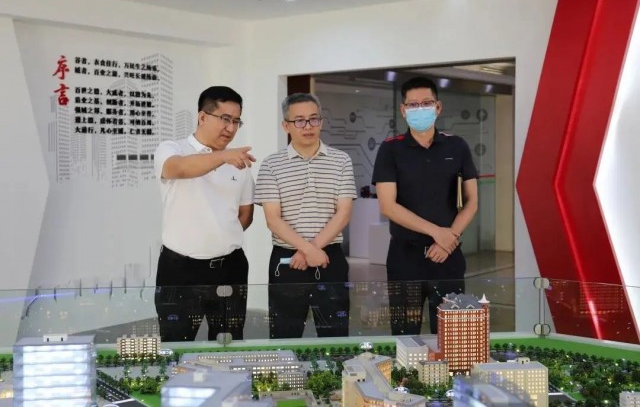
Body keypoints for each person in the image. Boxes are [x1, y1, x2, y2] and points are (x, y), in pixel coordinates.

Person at [372, 77, 478, 335]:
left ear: (438, 107)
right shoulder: (390, 150)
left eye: (427, 103)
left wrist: (448, 239)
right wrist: (437, 233)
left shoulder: (457, 146)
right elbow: (388, 206)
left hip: (448, 255)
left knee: (451, 335)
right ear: (403, 110)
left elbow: (472, 201)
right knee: (405, 332)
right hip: (404, 257)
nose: (420, 109)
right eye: (413, 104)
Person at [153, 86, 256, 342]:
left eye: (236, 121)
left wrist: (218, 237)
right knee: (176, 343)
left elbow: (245, 214)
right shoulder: (172, 148)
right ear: (202, 117)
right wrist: (223, 157)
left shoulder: (239, 163)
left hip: (229, 268)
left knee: (228, 343)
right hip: (180, 270)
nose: (231, 128)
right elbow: (177, 169)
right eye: (225, 119)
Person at [255, 93, 357, 339]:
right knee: (284, 335)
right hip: (287, 261)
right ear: (286, 126)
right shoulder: (271, 165)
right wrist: (307, 250)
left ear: (321, 122)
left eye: (313, 119)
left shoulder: (341, 160)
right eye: (299, 120)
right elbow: (273, 219)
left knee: (335, 336)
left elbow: (343, 213)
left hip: (329, 258)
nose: (308, 126)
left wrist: (311, 250)